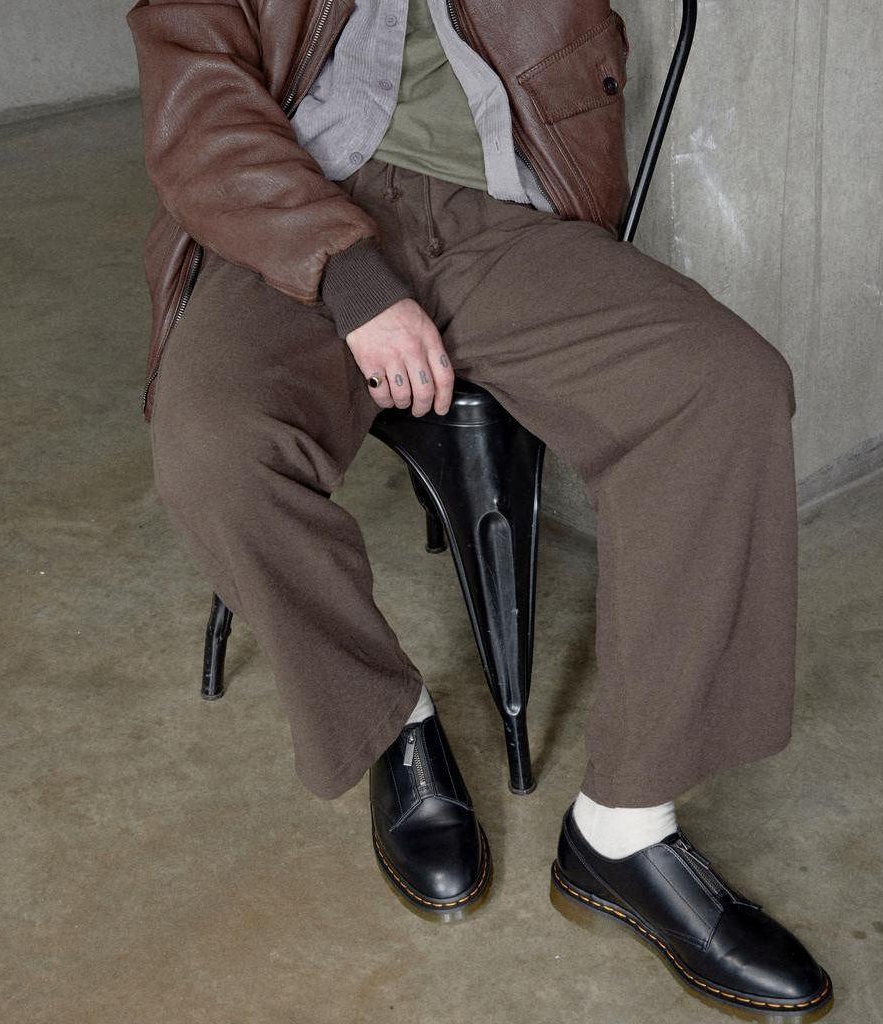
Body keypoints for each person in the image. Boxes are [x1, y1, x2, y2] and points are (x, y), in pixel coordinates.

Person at [126, 0, 833, 1017]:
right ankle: (389, 720)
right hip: (286, 211)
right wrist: (350, 276)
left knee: (724, 386)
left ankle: (624, 831)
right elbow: (195, 100)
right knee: (214, 449)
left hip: (496, 215)